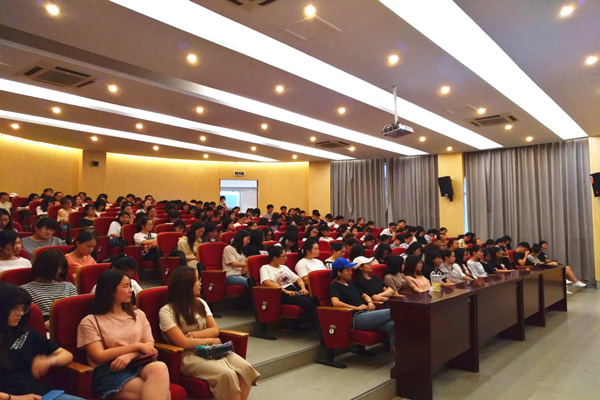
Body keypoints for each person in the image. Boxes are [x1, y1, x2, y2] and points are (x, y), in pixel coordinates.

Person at [160, 267, 259, 400]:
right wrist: (211, 340)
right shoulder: (167, 311)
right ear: (186, 285)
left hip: (213, 349)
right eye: (196, 280)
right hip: (188, 356)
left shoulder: (201, 303)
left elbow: (214, 330)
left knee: (245, 368)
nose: (200, 283)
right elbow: (183, 343)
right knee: (227, 374)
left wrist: (193, 335)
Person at [77, 270, 171, 400]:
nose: (131, 290)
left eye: (130, 286)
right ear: (111, 290)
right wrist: (137, 346)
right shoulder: (90, 321)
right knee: (163, 394)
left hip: (138, 362)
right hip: (110, 370)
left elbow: (149, 344)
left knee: (159, 367)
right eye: (126, 286)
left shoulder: (138, 314)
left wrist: (130, 355)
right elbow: (99, 356)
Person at [0, 283, 86, 400]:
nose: (21, 313)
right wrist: (13, 398)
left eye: (23, 308)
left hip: (39, 394)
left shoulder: (25, 333)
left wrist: (49, 361)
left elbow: (66, 355)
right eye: (15, 308)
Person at [328, 258, 395, 351]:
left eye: (350, 270)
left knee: (392, 325)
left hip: (366, 313)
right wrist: (356, 308)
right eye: (347, 270)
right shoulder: (334, 286)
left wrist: (370, 302)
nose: (351, 272)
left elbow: (365, 295)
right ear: (339, 272)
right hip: (355, 317)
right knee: (394, 311)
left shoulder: (350, 284)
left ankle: (397, 355)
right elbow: (335, 303)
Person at [259, 246, 318, 333]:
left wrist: (303, 288)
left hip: (292, 289)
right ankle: (318, 329)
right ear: (275, 258)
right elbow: (266, 282)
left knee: (314, 299)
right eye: (284, 256)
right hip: (280, 293)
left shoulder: (284, 267)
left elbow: (298, 278)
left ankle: (318, 326)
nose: (286, 258)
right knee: (309, 302)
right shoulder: (265, 268)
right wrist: (286, 291)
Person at [21, 249, 77, 324]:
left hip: (67, 322)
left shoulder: (69, 286)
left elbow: (75, 310)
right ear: (44, 267)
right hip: (42, 325)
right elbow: (27, 317)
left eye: (61, 267)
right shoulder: (25, 290)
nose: (59, 271)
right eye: (55, 268)